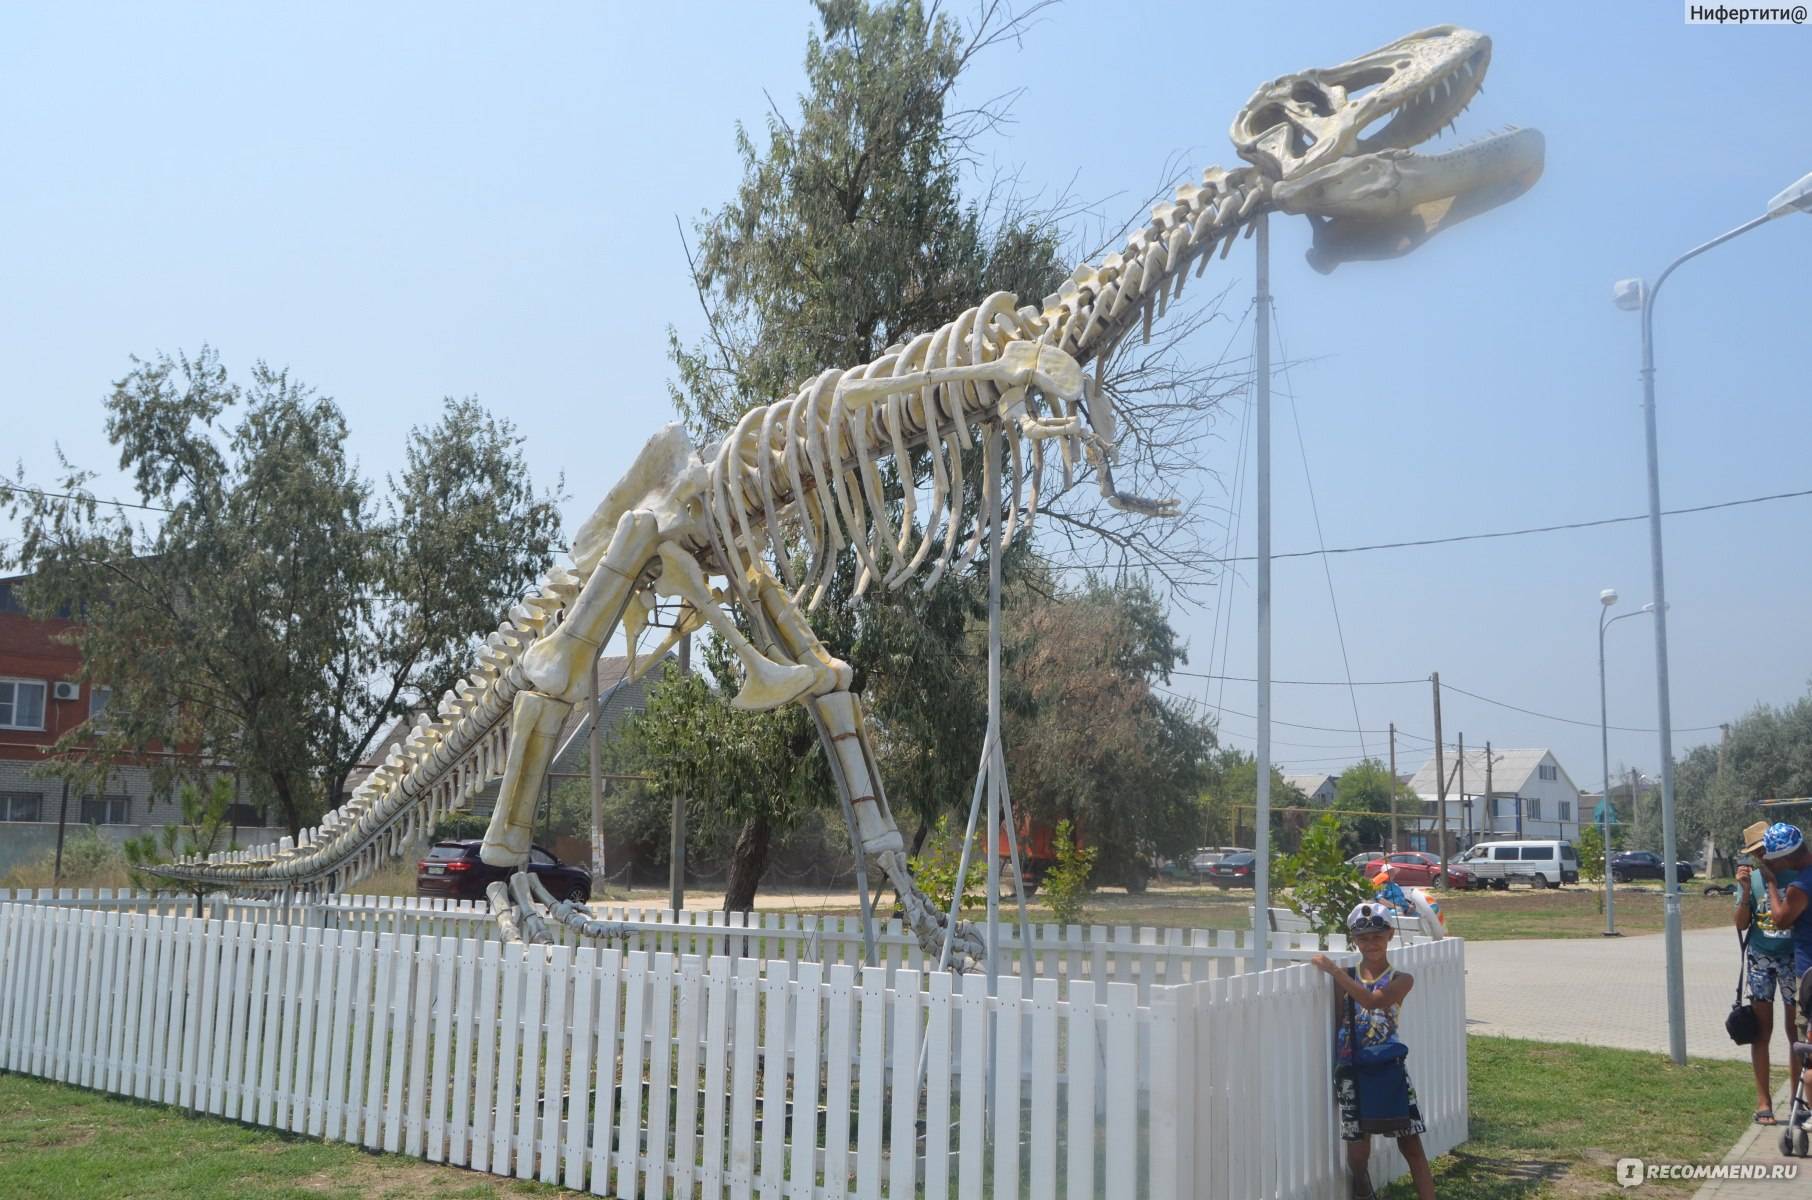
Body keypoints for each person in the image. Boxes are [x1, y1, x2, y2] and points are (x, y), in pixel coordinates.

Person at [1311, 902, 1435, 1200]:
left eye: (1377, 936)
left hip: (1388, 1067)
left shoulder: (1401, 979)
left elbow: (1372, 1001)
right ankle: (1362, 1188)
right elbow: (1338, 1020)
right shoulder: (1347, 976)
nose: (1371, 943)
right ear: (1355, 939)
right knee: (1357, 1143)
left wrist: (1333, 971)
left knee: (1411, 1144)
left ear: (1390, 935)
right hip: (1352, 1067)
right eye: (1363, 938)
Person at [1734, 820, 1801, 1124]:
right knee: (1761, 1033)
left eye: (1763, 849)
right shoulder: (1756, 878)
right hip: (1761, 959)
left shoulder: (1797, 875)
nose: (1761, 856)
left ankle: (1798, 1103)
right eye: (1755, 852)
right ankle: (1764, 1103)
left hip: (1793, 958)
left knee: (1796, 1033)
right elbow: (1740, 923)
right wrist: (1746, 891)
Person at [1754, 821, 1812, 1128]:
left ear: (1786, 859)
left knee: (1806, 1041)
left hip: (1807, 971)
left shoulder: (1800, 886)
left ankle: (1805, 1109)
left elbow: (1779, 919)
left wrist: (1773, 885)